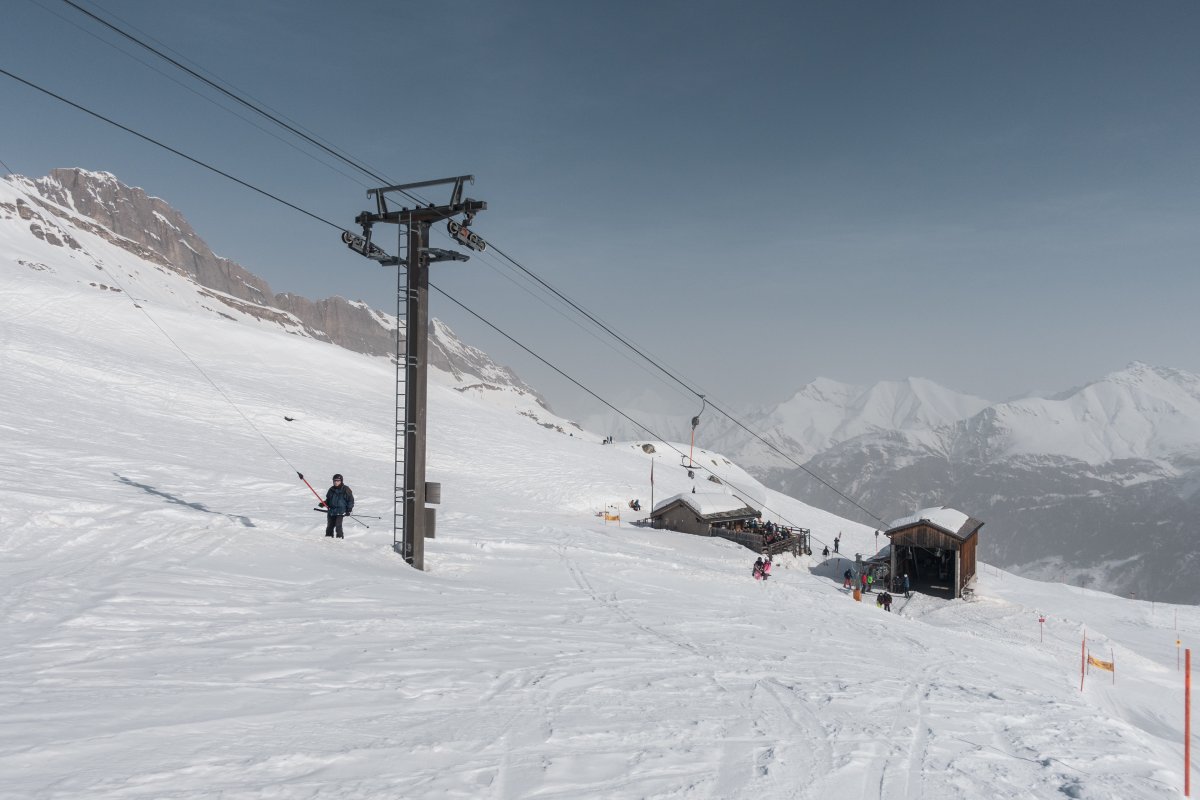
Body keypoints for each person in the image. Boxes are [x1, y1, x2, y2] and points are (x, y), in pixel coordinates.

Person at [324, 473, 354, 539]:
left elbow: (350, 500)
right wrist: (324, 503)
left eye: (338, 481)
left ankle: (339, 540)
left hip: (341, 511)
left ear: (341, 481)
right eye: (335, 481)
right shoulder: (331, 489)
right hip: (332, 511)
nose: (336, 482)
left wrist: (349, 509)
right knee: (329, 527)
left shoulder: (346, 489)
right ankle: (328, 539)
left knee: (338, 526)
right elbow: (328, 500)